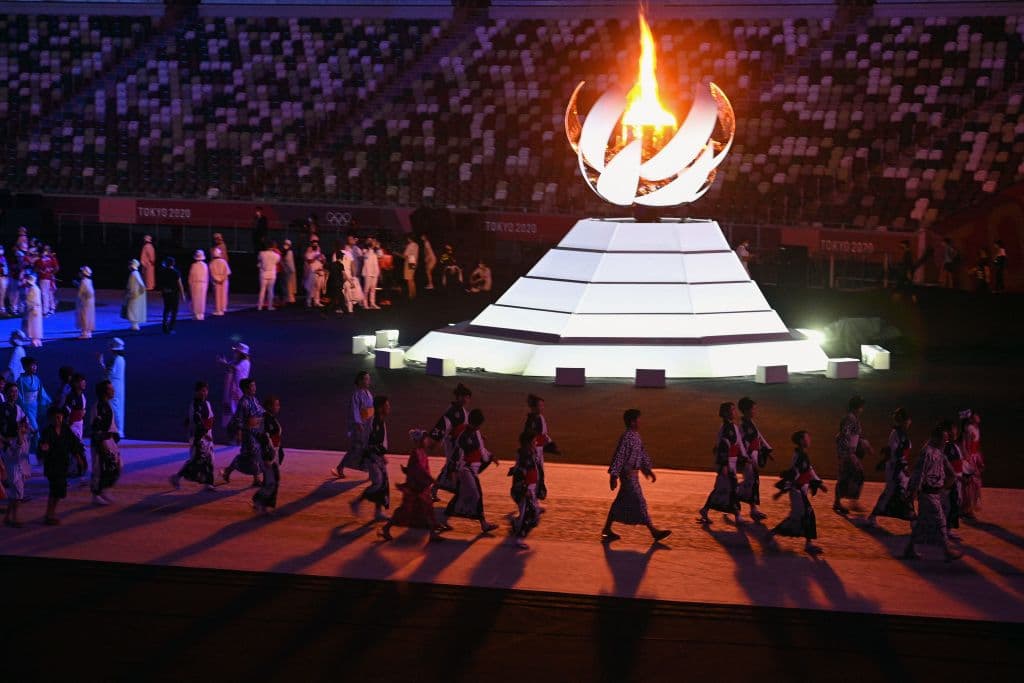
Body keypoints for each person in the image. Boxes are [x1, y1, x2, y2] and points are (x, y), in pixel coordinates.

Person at [601, 408, 671, 543]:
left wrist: (647, 470)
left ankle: (607, 528)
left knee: (619, 503)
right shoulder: (627, 437)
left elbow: (642, 454)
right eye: (639, 419)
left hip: (634, 475)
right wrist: (614, 475)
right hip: (627, 475)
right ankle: (653, 531)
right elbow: (619, 456)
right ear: (633, 422)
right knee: (640, 501)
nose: (641, 422)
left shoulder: (636, 436)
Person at [904, 424, 963, 561]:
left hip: (934, 493)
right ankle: (947, 550)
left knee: (921, 524)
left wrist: (950, 480)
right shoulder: (928, 453)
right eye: (944, 439)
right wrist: (913, 491)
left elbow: (949, 470)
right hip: (927, 494)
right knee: (940, 520)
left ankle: (910, 548)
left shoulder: (938, 451)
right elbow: (920, 473)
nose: (945, 442)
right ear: (936, 438)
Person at [380, 429, 442, 542]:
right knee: (405, 511)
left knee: (428, 509)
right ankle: (386, 528)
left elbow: (416, 469)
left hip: (422, 487)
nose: (427, 441)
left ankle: (433, 533)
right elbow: (420, 470)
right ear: (420, 441)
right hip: (415, 488)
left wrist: (407, 470)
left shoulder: (421, 452)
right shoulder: (417, 453)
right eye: (425, 439)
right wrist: (431, 479)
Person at [771, 430, 826, 554]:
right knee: (806, 515)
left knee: (800, 517)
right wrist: (781, 492)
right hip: (797, 492)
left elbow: (809, 471)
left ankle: (773, 533)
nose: (809, 440)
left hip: (800, 491)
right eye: (807, 437)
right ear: (801, 441)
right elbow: (794, 474)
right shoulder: (800, 456)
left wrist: (819, 483)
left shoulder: (802, 455)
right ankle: (808, 544)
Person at [444, 408, 499, 534]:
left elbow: (481, 449)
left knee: (462, 493)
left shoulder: (477, 432)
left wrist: (491, 456)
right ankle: (483, 524)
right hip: (465, 469)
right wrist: (453, 473)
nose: (477, 428)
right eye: (476, 425)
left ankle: (448, 513)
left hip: (473, 468)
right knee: (477, 494)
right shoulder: (463, 438)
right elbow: (455, 456)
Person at [866, 408, 917, 527]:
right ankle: (913, 520)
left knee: (896, 492)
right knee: (893, 492)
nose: (910, 422)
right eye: (908, 420)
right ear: (904, 421)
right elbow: (895, 453)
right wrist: (902, 467)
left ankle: (913, 520)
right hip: (896, 469)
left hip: (899, 468)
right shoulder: (896, 434)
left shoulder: (901, 433)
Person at [699, 402, 744, 525]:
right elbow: (724, 447)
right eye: (732, 410)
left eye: (734, 410)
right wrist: (724, 465)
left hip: (730, 462)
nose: (735, 412)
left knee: (721, 489)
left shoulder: (730, 427)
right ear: (725, 413)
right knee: (732, 488)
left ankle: (705, 509)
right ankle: (737, 514)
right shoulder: (727, 428)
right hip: (727, 464)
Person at [39, 406, 85, 525]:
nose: (58, 418)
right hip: (52, 464)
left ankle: (51, 513)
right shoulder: (47, 431)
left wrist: (78, 457)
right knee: (54, 488)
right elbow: (42, 446)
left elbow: (74, 444)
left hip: (63, 463)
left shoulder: (66, 430)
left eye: (60, 415)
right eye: (56, 415)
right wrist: (44, 450)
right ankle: (49, 514)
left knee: (59, 489)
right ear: (52, 417)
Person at [170, 381, 216, 492]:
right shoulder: (195, 405)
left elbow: (209, 419)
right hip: (199, 436)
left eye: (206, 390)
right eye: (202, 390)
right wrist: (204, 434)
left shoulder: (207, 403)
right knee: (197, 459)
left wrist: (209, 432)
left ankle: (209, 483)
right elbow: (197, 421)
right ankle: (177, 477)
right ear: (197, 391)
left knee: (210, 458)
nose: (204, 393)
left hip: (207, 434)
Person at [429, 383, 472, 500]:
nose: (465, 399)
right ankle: (454, 489)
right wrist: (438, 440)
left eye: (467, 397)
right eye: (463, 396)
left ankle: (434, 488)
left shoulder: (463, 411)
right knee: (453, 465)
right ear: (457, 397)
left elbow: (467, 426)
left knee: (451, 465)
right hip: (453, 443)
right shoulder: (452, 412)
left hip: (459, 444)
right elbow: (444, 426)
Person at [220, 378, 264, 487]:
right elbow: (239, 419)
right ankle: (227, 471)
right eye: (251, 386)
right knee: (249, 455)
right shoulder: (243, 402)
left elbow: (261, 412)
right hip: (248, 434)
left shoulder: (254, 399)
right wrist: (239, 434)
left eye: (254, 385)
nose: (254, 388)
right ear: (245, 389)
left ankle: (256, 479)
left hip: (256, 432)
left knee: (256, 454)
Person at [353, 395, 391, 520]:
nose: (388, 407)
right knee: (378, 482)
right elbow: (366, 440)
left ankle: (378, 512)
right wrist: (370, 454)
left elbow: (382, 441)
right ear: (380, 408)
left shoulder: (381, 421)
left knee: (383, 483)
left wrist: (382, 455)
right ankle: (357, 502)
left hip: (378, 456)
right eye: (386, 405)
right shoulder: (372, 421)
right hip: (372, 456)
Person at [331, 370, 374, 478]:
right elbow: (354, 410)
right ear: (360, 381)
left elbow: (371, 409)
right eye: (366, 379)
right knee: (355, 448)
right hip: (360, 426)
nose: (368, 381)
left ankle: (370, 471)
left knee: (367, 447)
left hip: (367, 424)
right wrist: (358, 423)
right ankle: (340, 467)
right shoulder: (356, 394)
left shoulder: (368, 393)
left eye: (369, 379)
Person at [833, 395, 870, 515]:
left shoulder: (852, 418)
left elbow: (852, 435)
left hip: (847, 452)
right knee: (858, 474)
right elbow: (844, 436)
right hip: (847, 453)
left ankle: (838, 502)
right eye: (861, 407)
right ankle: (853, 501)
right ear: (857, 407)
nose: (862, 409)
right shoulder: (850, 419)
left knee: (845, 476)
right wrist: (849, 453)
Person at [736, 396, 770, 521]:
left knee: (753, 482)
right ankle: (734, 499)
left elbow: (758, 437)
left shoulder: (750, 423)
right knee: (749, 483)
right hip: (748, 458)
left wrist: (767, 448)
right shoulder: (743, 426)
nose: (755, 411)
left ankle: (753, 510)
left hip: (753, 457)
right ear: (746, 410)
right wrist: (746, 457)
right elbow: (741, 442)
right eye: (753, 409)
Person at [1, 382, 29, 527]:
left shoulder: (18, 409)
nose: (14, 394)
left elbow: (25, 424)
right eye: (11, 391)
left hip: (18, 445)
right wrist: (5, 442)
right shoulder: (2, 409)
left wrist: (23, 430)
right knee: (16, 483)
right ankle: (14, 517)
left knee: (18, 481)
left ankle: (7, 518)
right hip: (8, 447)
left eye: (16, 391)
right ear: (5, 393)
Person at [89, 380, 122, 505]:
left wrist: (114, 437)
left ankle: (105, 490)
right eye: (110, 389)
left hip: (110, 440)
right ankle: (96, 494)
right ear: (104, 392)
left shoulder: (107, 405)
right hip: (101, 442)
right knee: (98, 468)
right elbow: (96, 429)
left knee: (115, 465)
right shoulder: (98, 407)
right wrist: (102, 445)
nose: (113, 390)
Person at [523, 393, 559, 503]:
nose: (542, 408)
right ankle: (532, 500)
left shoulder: (540, 418)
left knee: (538, 474)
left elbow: (543, 435)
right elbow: (533, 436)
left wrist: (551, 443)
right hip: (534, 452)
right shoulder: (532, 420)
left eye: (543, 406)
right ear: (534, 407)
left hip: (538, 451)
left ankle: (534, 499)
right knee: (535, 475)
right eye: (540, 406)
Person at [509, 430, 541, 549]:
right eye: (534, 442)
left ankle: (516, 524)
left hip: (529, 490)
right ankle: (519, 538)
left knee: (533, 515)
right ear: (527, 444)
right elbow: (520, 475)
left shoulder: (530, 455)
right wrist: (525, 489)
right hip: (523, 491)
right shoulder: (524, 457)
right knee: (529, 514)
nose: (536, 443)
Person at [252, 394, 284, 512]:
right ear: (269, 406)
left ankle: (263, 504)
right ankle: (258, 500)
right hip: (268, 455)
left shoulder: (270, 418)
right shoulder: (266, 420)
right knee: (273, 480)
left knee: (271, 480)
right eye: (276, 405)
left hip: (272, 453)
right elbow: (264, 439)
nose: (278, 407)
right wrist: (267, 458)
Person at [16, 356, 50, 458]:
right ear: (25, 366)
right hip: (26, 407)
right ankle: (39, 453)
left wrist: (47, 402)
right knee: (34, 429)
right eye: (32, 365)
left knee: (32, 430)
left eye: (35, 365)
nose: (34, 367)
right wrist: (23, 410)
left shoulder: (37, 379)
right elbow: (20, 397)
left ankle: (33, 453)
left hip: (35, 406)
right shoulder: (20, 380)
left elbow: (41, 393)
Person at [98, 338, 127, 438]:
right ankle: (119, 429)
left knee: (113, 407)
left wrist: (101, 364)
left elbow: (108, 374)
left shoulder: (114, 359)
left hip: (112, 385)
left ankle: (117, 430)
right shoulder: (122, 359)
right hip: (119, 386)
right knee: (118, 406)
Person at [217, 343, 250, 428]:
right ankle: (231, 427)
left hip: (238, 391)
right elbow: (231, 367)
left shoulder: (245, 362)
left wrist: (225, 363)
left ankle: (237, 428)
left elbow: (234, 368)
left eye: (237, 352)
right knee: (229, 410)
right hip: (232, 389)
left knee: (236, 410)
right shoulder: (235, 362)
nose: (235, 353)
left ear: (241, 354)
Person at [959, 410, 984, 518]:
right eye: (976, 415)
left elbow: (975, 446)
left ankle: (968, 507)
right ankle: (966, 508)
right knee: (969, 483)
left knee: (973, 483)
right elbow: (966, 446)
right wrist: (970, 461)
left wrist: (979, 458)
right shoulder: (969, 429)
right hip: (968, 459)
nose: (978, 416)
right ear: (971, 418)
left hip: (973, 457)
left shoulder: (975, 429)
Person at [157, 256, 186, 334]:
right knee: (174, 311)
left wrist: (162, 290)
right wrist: (183, 294)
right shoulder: (176, 272)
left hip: (166, 292)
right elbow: (180, 284)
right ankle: (171, 328)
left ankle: (164, 325)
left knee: (166, 309)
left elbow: (160, 283)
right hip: (174, 293)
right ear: (173, 263)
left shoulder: (162, 272)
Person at [124, 259, 147, 331]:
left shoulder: (134, 273)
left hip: (134, 295)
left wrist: (138, 294)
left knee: (132, 310)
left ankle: (135, 325)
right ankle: (134, 325)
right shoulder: (134, 273)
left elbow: (142, 286)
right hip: (132, 294)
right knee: (132, 310)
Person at [257, 241, 281, 311]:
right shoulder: (276, 255)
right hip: (272, 274)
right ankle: (270, 306)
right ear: (273, 247)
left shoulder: (261, 253)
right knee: (271, 290)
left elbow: (259, 260)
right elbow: (277, 261)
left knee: (262, 290)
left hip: (263, 273)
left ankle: (260, 306)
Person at [36, 244, 58, 316]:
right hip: (44, 278)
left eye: (47, 249)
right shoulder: (40, 259)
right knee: (47, 293)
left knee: (47, 293)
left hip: (48, 278)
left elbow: (56, 268)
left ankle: (48, 309)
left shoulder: (52, 258)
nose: (46, 251)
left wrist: (51, 273)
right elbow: (36, 268)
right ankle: (50, 308)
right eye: (45, 249)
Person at [65, 373, 87, 442]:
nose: (84, 383)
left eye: (84, 381)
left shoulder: (83, 396)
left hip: (80, 424)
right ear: (75, 383)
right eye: (81, 381)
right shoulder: (70, 396)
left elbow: (83, 411)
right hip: (71, 425)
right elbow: (67, 412)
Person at [209, 247, 231, 316]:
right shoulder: (224, 262)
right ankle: (223, 308)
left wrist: (217, 279)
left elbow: (212, 274)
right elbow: (227, 272)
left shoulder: (212, 263)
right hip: (224, 281)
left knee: (217, 296)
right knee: (224, 295)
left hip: (216, 281)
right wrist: (222, 279)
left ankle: (218, 310)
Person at [188, 250, 209, 321]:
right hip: (203, 284)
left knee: (196, 299)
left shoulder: (193, 265)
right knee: (202, 299)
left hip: (195, 284)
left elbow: (191, 276)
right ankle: (201, 314)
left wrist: (190, 285)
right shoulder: (205, 265)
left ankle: (196, 314)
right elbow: (207, 277)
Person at [304, 238, 325, 308]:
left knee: (318, 288)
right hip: (312, 273)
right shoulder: (309, 253)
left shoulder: (320, 253)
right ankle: (309, 302)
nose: (316, 246)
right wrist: (316, 257)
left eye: (317, 245)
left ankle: (317, 302)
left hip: (320, 273)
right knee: (310, 288)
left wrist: (322, 258)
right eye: (314, 245)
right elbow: (309, 261)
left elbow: (323, 262)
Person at [23, 273, 43, 346]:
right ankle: (37, 340)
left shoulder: (33, 289)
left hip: (33, 309)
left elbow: (33, 300)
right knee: (35, 324)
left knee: (34, 324)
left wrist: (28, 304)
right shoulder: (35, 288)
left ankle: (35, 340)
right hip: (34, 309)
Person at [75, 266, 95, 339]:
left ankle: (85, 333)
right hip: (89, 302)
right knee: (89, 316)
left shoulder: (83, 281)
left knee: (84, 316)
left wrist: (77, 286)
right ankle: (88, 332)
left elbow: (81, 293)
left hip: (85, 302)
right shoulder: (89, 281)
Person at [361, 238, 381, 309]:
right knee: (366, 289)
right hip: (367, 272)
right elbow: (365, 256)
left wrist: (378, 248)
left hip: (374, 272)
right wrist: (369, 246)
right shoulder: (365, 250)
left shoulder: (375, 251)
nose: (375, 243)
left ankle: (372, 303)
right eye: (373, 242)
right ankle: (365, 303)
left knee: (373, 289)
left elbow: (380, 255)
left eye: (374, 242)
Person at [280, 239, 296, 305]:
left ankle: (287, 298)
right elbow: (289, 263)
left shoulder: (284, 252)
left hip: (286, 270)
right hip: (289, 271)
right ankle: (289, 299)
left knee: (286, 285)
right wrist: (292, 271)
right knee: (289, 285)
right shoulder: (289, 252)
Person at [402, 235, 419, 299]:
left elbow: (405, 255)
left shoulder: (409, 245)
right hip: (414, 262)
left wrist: (397, 253)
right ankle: (413, 293)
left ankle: (411, 294)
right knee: (412, 278)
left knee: (409, 279)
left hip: (409, 262)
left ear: (409, 239)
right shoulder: (416, 245)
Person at [0, 245, 9, 315]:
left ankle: (2, 308)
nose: (1, 250)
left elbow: (5, 267)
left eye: (1, 249)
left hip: (4, 277)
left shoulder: (3, 258)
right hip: (0, 277)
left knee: (3, 294)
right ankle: (2, 308)